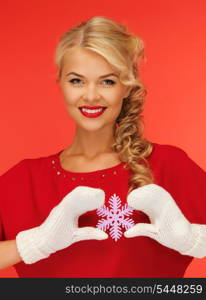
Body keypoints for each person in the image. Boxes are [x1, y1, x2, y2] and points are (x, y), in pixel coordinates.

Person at [0, 16, 206, 278]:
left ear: (126, 87)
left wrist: (194, 239)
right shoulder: (23, 180)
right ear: (60, 84)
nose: (91, 95)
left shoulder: (168, 165)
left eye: (107, 81)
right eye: (77, 81)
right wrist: (34, 243)